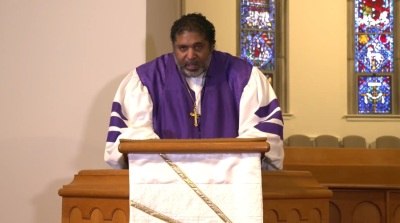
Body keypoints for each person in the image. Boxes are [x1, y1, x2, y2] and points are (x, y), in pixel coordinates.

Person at [104, 13, 284, 170]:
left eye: (198, 47)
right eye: (183, 48)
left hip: (227, 182)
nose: (190, 56)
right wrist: (174, 164)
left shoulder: (242, 77)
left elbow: (262, 138)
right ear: (174, 47)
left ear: (211, 46)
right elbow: (129, 138)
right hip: (166, 183)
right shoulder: (147, 79)